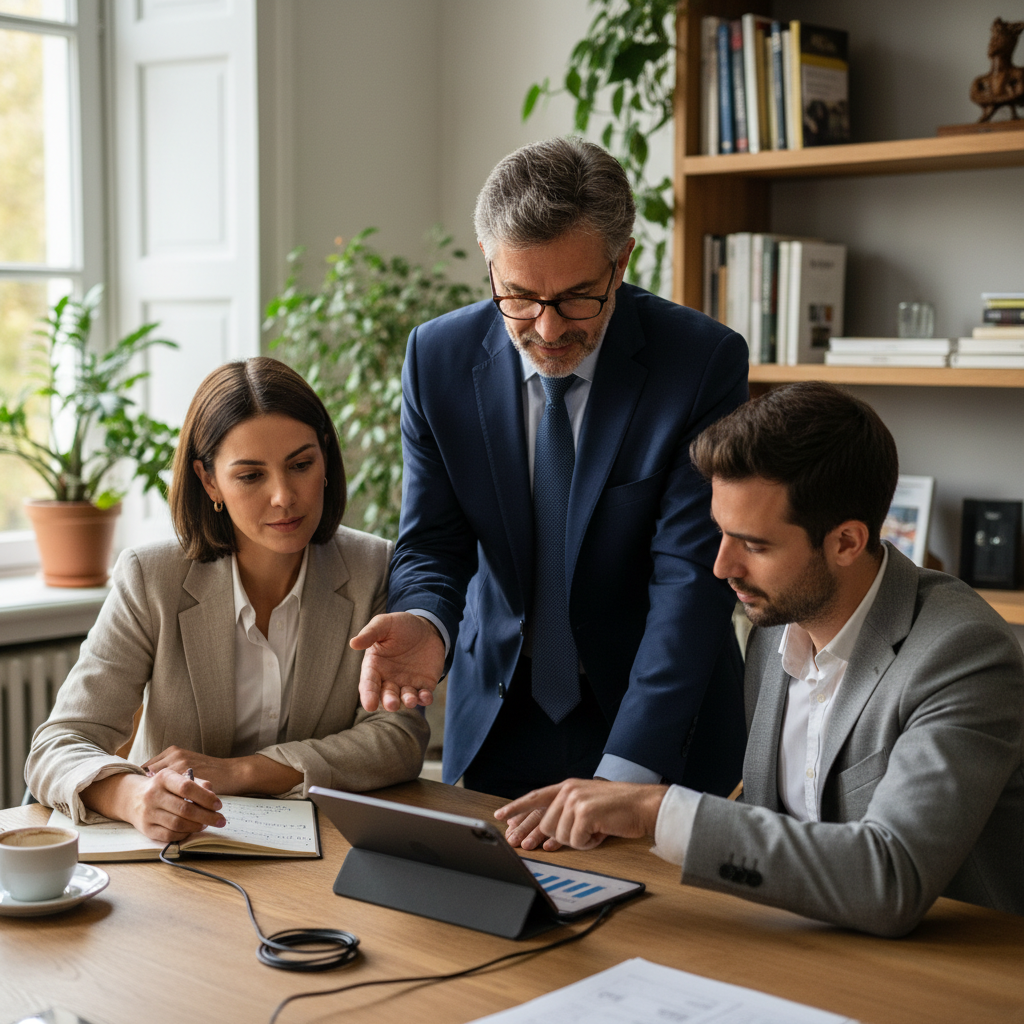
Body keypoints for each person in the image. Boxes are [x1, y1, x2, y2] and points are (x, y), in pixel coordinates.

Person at [495, 382, 1024, 937]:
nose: (722, 567)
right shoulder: (774, 632)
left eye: (754, 545)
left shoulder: (962, 655)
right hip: (804, 943)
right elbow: (779, 827)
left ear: (846, 542)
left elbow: (891, 878)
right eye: (721, 533)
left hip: (953, 983)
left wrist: (657, 811)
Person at [351, 136, 750, 844]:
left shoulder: (699, 363)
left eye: (575, 298)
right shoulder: (437, 359)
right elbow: (433, 541)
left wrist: (623, 779)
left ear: (622, 260)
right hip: (502, 716)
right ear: (488, 260)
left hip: (656, 725)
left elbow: (690, 578)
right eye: (519, 297)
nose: (547, 327)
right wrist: (426, 618)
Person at [26, 357, 428, 843]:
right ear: (209, 480)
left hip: (329, 853)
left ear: (325, 461)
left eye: (301, 465)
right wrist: (135, 798)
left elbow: (399, 740)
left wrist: (244, 771)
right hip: (177, 858)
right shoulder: (151, 578)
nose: (284, 496)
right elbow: (58, 744)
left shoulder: (375, 568)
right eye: (250, 476)